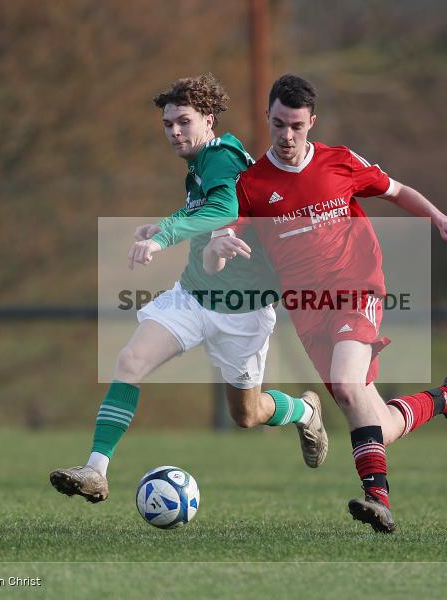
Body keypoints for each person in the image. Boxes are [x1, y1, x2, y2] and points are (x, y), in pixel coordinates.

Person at [203, 74, 447, 533]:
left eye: (295, 126)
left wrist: (440, 218)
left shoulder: (341, 162)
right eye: (277, 125)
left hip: (357, 289)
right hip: (308, 311)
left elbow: (396, 189)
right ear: (267, 120)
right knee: (377, 422)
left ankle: (379, 500)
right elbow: (223, 235)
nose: (286, 136)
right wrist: (216, 249)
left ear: (312, 122)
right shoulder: (252, 185)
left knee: (347, 388)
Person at [50, 74, 328, 504]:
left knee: (247, 414)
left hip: (243, 308)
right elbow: (206, 207)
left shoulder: (221, 156)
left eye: (184, 121)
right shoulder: (200, 165)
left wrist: (163, 238)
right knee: (131, 360)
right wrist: (165, 223)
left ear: (209, 120)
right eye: (167, 124)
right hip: (194, 295)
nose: (175, 131)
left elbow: (225, 206)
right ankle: (96, 470)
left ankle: (305, 411)